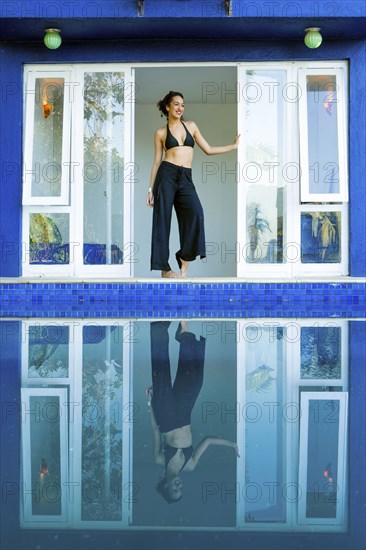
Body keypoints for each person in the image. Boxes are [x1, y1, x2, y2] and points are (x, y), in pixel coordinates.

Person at [146, 91, 240, 278]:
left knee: (196, 213)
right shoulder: (161, 133)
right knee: (162, 221)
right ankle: (164, 269)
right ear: (167, 107)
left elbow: (209, 149)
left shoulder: (191, 126)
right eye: (176, 104)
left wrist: (233, 146)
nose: (180, 108)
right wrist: (150, 189)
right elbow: (157, 161)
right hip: (166, 175)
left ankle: (184, 258)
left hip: (186, 177)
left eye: (182, 105)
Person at [147, 320, 239, 503]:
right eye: (180, 489)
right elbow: (208, 441)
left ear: (165, 486)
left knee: (161, 372)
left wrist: (150, 404)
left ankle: (159, 327)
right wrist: (232, 444)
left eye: (174, 489)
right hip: (183, 414)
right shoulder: (190, 465)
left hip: (165, 417)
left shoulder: (160, 460)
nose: (178, 486)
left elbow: (155, 431)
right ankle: (184, 335)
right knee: (195, 380)